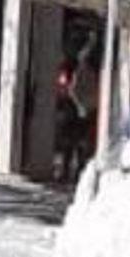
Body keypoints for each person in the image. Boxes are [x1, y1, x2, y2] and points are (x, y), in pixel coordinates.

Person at [53, 54, 87, 183]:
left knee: (69, 144)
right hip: (79, 111)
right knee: (77, 144)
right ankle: (76, 172)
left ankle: (67, 172)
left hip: (71, 111)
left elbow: (64, 90)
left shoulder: (69, 73)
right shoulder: (82, 71)